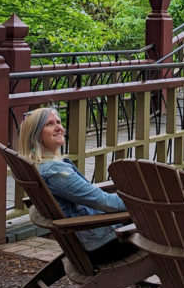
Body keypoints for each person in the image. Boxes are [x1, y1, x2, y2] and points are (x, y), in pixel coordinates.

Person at [17, 107, 135, 264]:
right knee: (169, 228)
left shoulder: (40, 166)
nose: (59, 128)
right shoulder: (55, 172)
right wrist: (143, 201)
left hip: (88, 238)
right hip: (104, 244)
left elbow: (97, 198)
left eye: (58, 122)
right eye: (50, 124)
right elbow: (104, 202)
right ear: (35, 134)